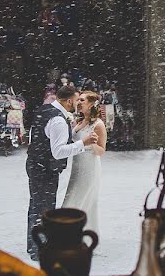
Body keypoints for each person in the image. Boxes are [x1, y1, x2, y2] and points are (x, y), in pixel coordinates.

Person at [26, 84, 99, 261]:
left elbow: (34, 136)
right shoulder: (58, 120)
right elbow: (58, 151)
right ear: (68, 101)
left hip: (36, 164)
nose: (77, 104)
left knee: (36, 205)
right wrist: (84, 144)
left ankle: (33, 245)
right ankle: (40, 249)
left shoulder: (44, 109)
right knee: (45, 208)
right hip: (45, 168)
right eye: (76, 100)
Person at [61, 90, 107, 240]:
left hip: (89, 168)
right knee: (77, 200)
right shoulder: (79, 121)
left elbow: (101, 151)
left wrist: (90, 144)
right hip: (77, 167)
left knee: (76, 201)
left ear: (92, 104)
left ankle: (68, 236)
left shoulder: (98, 125)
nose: (78, 103)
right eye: (78, 100)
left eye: (82, 100)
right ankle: (80, 235)